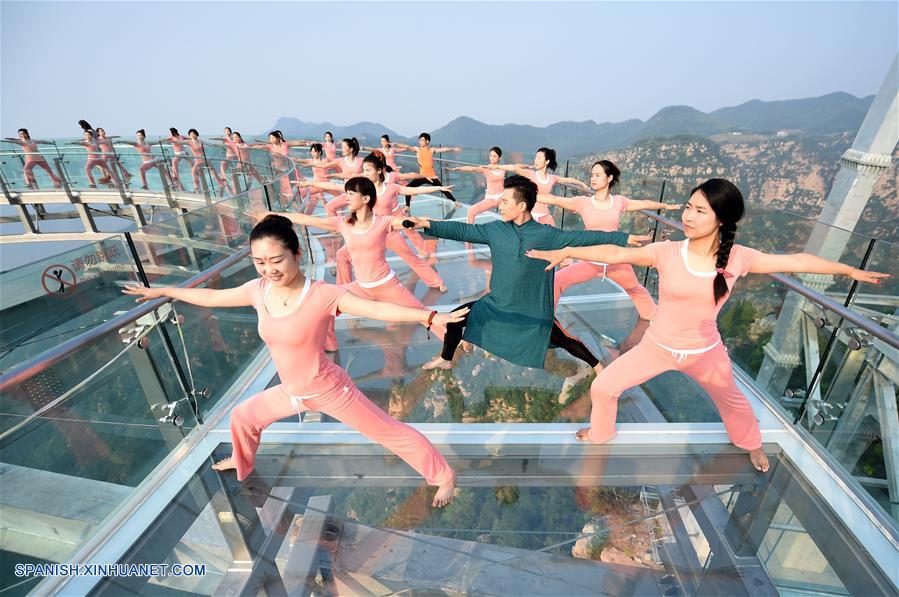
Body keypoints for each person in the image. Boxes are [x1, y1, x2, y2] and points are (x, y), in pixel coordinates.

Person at [526, 178, 890, 472]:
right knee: (604, 387)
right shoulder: (668, 251)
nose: (688, 216)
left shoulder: (738, 258)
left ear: (721, 219)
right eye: (688, 207)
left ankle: (752, 445)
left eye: (700, 210)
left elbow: (797, 261)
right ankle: (601, 433)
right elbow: (617, 252)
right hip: (656, 348)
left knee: (735, 405)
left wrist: (848, 270)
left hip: (704, 354)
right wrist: (569, 251)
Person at [123, 214, 464, 507]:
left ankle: (443, 476)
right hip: (292, 391)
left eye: (276, 260)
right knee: (243, 417)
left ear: (297, 254)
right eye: (260, 262)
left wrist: (430, 316)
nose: (268, 270)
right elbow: (212, 297)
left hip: (330, 390)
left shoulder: (322, 294)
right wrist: (164, 291)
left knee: (389, 432)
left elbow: (377, 309)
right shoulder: (258, 290)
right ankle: (241, 462)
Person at [404, 175, 648, 371]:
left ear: (522, 206)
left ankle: (597, 366)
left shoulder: (546, 234)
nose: (500, 205)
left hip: (531, 309)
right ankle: (446, 359)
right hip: (497, 303)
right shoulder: (496, 230)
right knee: (453, 319)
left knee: (564, 340)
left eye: (505, 201)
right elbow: (462, 231)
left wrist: (623, 237)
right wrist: (426, 224)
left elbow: (585, 237)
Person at [262, 175, 447, 342]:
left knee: (424, 315)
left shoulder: (383, 222)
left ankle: (456, 343)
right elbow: (306, 219)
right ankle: (328, 344)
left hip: (387, 285)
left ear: (365, 199)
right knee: (323, 304)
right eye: (346, 194)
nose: (346, 198)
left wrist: (417, 221)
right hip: (360, 287)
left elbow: (413, 222)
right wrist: (272, 215)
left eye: (351, 194)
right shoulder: (343, 223)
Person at [539, 159, 679, 319]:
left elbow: (644, 203)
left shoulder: (619, 202)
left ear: (609, 178)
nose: (593, 178)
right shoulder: (583, 202)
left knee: (636, 289)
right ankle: (547, 318)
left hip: (616, 262)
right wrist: (526, 195)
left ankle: (653, 317)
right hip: (590, 261)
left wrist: (665, 206)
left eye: (598, 175)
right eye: (592, 175)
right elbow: (554, 199)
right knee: (557, 281)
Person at [298, 152, 450, 291]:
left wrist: (438, 188)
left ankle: (437, 282)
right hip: (368, 232)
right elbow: (333, 185)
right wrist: (311, 184)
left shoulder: (391, 188)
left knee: (411, 258)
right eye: (364, 170)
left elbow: (413, 190)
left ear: (379, 170)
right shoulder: (362, 188)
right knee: (341, 255)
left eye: (368, 170)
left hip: (388, 231)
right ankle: (344, 290)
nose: (365, 173)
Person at [496, 147, 589, 225]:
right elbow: (514, 168)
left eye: (539, 158)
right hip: (530, 215)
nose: (536, 160)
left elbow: (569, 180)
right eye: (536, 158)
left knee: (552, 235)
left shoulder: (552, 178)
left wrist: (582, 184)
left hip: (544, 216)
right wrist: (496, 166)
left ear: (547, 161)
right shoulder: (530, 174)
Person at [394, 133, 461, 207]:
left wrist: (454, 149)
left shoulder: (431, 150)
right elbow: (407, 146)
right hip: (422, 176)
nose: (420, 142)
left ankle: (455, 201)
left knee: (442, 189)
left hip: (432, 176)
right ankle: (407, 206)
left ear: (427, 141)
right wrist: (397, 144)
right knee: (408, 188)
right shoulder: (417, 150)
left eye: (422, 140)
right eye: (419, 140)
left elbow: (444, 149)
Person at [448, 146, 506, 224]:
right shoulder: (485, 169)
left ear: (499, 158)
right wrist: (458, 168)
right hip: (490, 199)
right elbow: (472, 168)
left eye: (494, 156)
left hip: (502, 198)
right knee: (471, 210)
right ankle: (469, 230)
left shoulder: (503, 168)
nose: (492, 158)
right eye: (490, 155)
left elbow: (515, 168)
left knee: (509, 216)